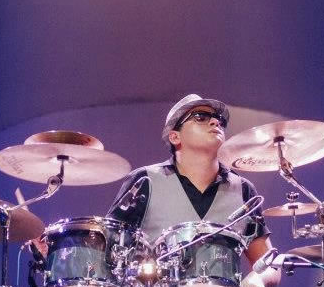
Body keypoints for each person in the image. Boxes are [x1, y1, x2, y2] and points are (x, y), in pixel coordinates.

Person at [106, 94, 281, 287]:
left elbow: (269, 264)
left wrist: (257, 280)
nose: (215, 122)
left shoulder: (243, 189)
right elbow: (108, 253)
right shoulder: (145, 181)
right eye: (200, 117)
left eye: (219, 120)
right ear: (175, 136)